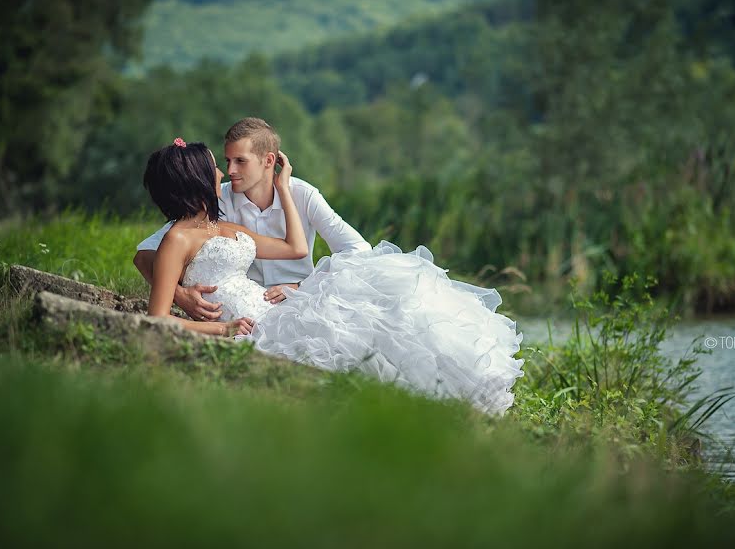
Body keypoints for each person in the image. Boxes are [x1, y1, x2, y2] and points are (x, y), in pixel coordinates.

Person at [143, 138, 524, 416]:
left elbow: (295, 247)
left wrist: (284, 191)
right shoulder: (177, 238)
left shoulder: (223, 226)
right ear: (193, 178)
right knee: (347, 339)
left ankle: (451, 384)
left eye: (231, 162)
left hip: (272, 309)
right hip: (249, 326)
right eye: (215, 166)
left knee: (373, 309)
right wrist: (205, 316)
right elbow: (157, 317)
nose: (222, 172)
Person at [134, 117, 371, 322]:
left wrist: (303, 287)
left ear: (268, 161)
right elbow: (145, 254)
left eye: (240, 161)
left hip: (304, 298)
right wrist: (178, 294)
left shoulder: (303, 194)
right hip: (245, 311)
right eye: (227, 161)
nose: (230, 171)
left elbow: (358, 249)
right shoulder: (217, 199)